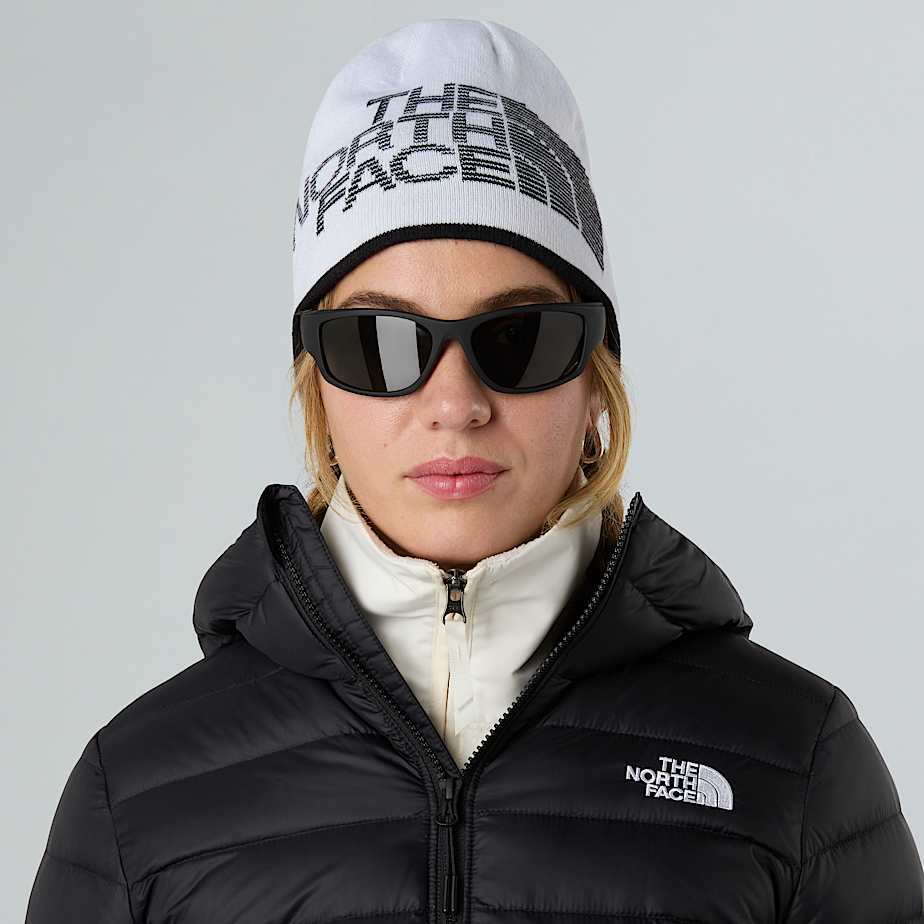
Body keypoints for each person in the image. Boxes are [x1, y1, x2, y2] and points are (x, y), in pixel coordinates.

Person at [25, 17, 923, 924]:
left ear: (596, 377)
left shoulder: (793, 762)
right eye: (379, 342)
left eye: (519, 337)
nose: (454, 403)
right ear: (317, 382)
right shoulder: (136, 796)